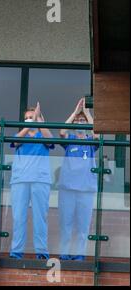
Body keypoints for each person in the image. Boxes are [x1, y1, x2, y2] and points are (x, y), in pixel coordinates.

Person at [9, 102, 54, 260]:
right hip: (20, 180)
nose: (30, 120)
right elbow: (15, 142)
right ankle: (16, 252)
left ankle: (41, 252)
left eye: (33, 117)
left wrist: (40, 123)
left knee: (40, 217)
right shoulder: (21, 135)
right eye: (27, 118)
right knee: (19, 217)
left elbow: (50, 141)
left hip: (40, 180)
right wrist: (29, 125)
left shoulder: (44, 134)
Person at [57, 98, 99, 261]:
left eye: (83, 121)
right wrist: (74, 113)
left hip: (86, 189)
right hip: (67, 188)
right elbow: (61, 132)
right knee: (66, 224)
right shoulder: (69, 140)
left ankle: (80, 254)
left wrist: (88, 114)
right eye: (78, 121)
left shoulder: (90, 142)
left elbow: (98, 134)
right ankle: (65, 253)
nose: (80, 123)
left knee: (83, 226)